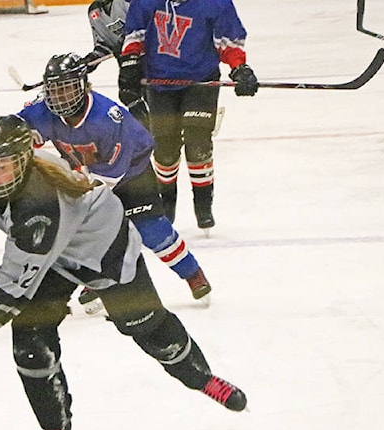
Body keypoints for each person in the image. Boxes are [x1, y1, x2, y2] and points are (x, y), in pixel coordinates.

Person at [0, 114, 247, 430]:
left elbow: (12, 285)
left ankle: (202, 378)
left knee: (148, 327)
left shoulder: (41, 203)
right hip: (51, 260)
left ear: (25, 161)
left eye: (3, 167)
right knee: (30, 335)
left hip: (102, 253)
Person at [17, 52, 212, 312]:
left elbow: (110, 175)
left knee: (151, 231)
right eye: (54, 91)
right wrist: (11, 137)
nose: (60, 99)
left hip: (132, 175)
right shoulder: (43, 112)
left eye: (67, 90)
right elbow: (17, 129)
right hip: (86, 176)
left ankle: (193, 274)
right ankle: (97, 279)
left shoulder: (106, 118)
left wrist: (72, 189)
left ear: (85, 86)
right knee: (84, 236)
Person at [118, 0, 258, 231]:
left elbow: (229, 40)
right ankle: (166, 202)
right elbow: (135, 35)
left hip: (201, 82)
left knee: (198, 142)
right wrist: (130, 63)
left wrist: (239, 68)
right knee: (164, 149)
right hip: (159, 83)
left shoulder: (214, 2)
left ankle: (203, 205)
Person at [82, 0, 149, 128]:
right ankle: (146, 127)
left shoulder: (126, 2)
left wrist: (126, 42)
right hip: (125, 63)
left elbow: (145, 27)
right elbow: (103, 45)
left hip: (146, 58)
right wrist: (91, 59)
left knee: (151, 95)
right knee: (127, 93)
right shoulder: (93, 11)